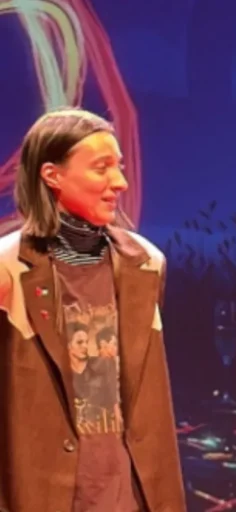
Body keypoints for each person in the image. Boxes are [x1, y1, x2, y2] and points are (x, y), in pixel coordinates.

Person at [0, 107, 185, 511]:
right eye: (101, 168)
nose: (119, 182)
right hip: (42, 489)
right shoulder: (8, 268)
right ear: (53, 175)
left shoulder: (146, 264)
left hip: (130, 490)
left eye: (118, 167)